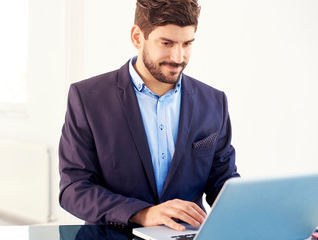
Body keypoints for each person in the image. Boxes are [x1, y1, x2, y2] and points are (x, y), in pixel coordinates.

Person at [59, 0, 239, 231]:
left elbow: (222, 181)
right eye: (166, 43)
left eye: (187, 44)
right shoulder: (87, 98)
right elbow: (74, 189)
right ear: (137, 37)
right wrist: (142, 213)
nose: (178, 57)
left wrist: (254, 209)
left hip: (186, 235)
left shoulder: (214, 102)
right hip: (113, 236)